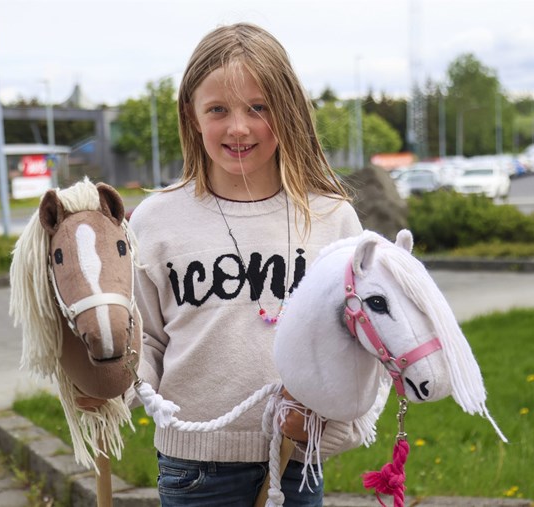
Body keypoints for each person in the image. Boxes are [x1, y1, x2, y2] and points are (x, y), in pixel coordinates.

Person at [127, 22, 381, 506]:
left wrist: (322, 427)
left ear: (287, 112)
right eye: (218, 109)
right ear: (191, 115)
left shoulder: (332, 219)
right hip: (195, 470)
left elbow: (361, 348)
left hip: (297, 460)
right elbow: (145, 340)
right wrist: (112, 385)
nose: (238, 127)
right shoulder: (156, 220)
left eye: (258, 108)